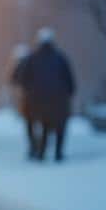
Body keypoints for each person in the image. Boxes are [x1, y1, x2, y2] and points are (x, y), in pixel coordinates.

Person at [15, 27, 76, 162]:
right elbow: (69, 78)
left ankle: (41, 153)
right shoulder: (60, 58)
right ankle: (58, 153)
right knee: (60, 125)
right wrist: (69, 92)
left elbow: (22, 79)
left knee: (44, 125)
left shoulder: (31, 58)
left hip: (37, 101)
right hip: (59, 100)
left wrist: (29, 93)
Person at [9, 43, 35, 158]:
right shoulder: (34, 63)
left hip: (27, 100)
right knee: (36, 123)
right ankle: (37, 145)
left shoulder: (20, 65)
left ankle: (33, 146)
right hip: (36, 99)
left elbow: (13, 80)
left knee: (30, 124)